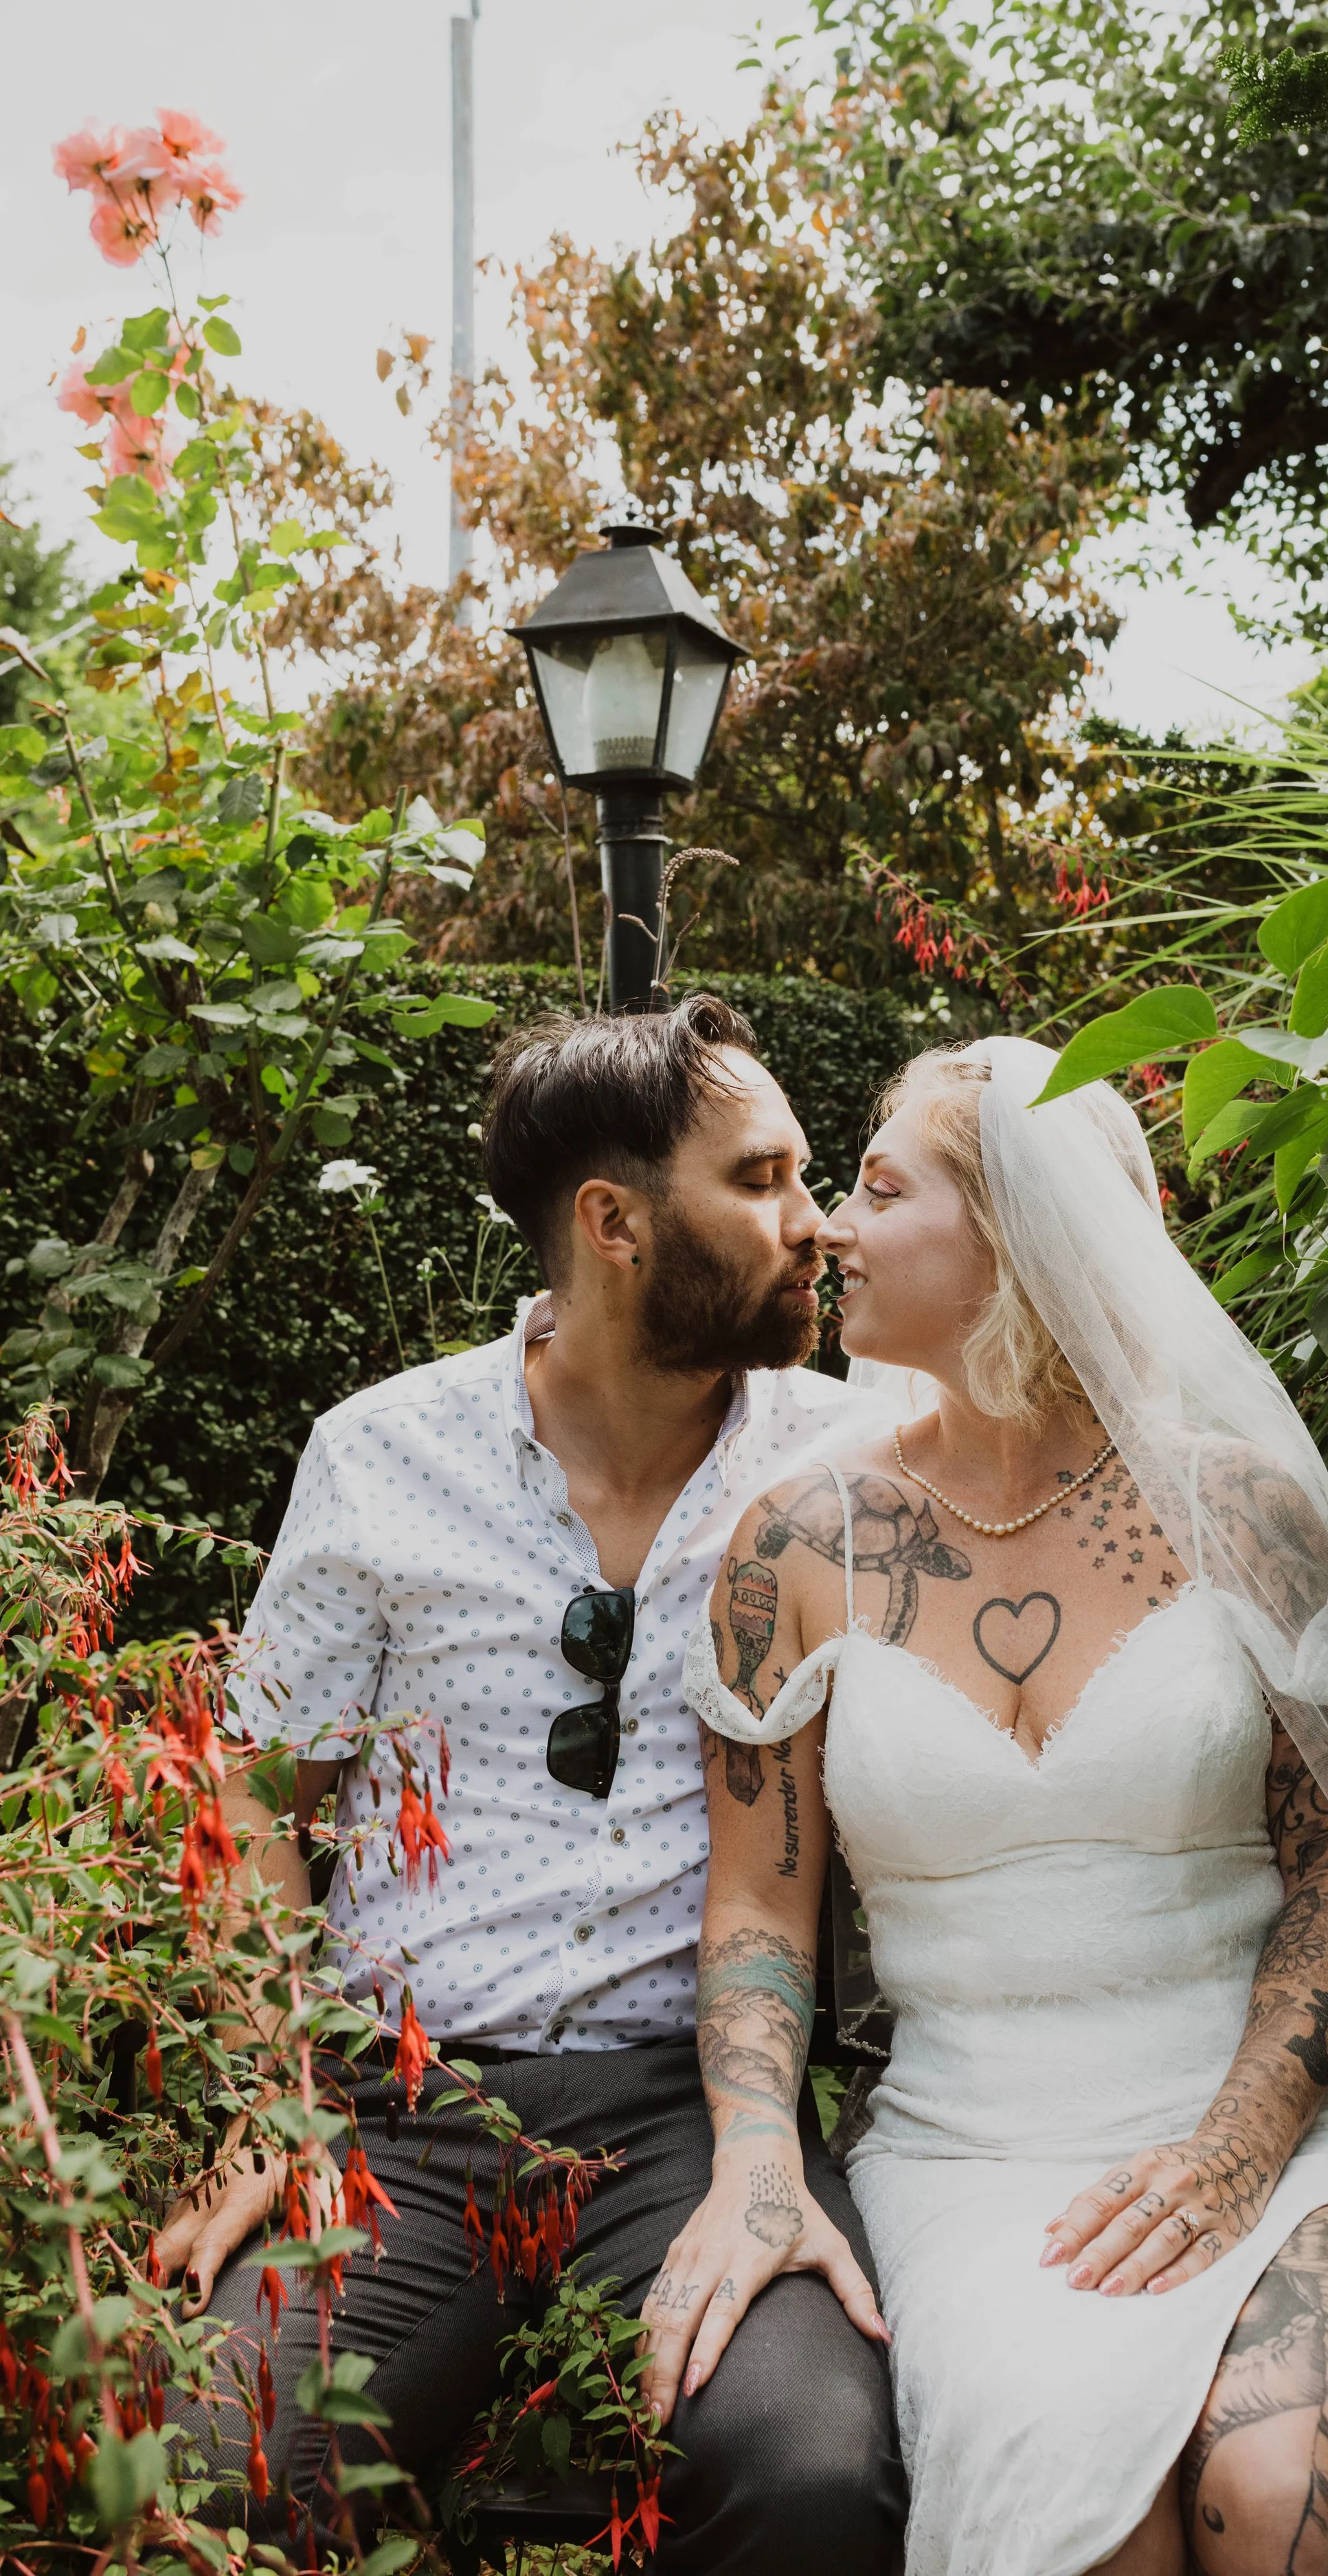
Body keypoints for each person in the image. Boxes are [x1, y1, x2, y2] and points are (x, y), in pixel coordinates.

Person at [655, 1037, 1328, 2576]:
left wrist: (1238, 2144)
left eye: (876, 1189)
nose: (830, 1229)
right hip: (970, 2157)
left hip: (1291, 2126)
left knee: (1280, 2488)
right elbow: (753, 1901)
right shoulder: (794, 1547)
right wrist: (755, 2155)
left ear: (1016, 1237)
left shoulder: (1241, 1511)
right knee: (1090, 2530)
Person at [156, 998, 903, 2574]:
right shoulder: (379, 1455)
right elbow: (255, 1808)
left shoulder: (855, 1455)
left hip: (689, 2116)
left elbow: (1112, 1498)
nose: (814, 1222)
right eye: (761, 1180)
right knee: (208, 2468)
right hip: (396, 2119)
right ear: (614, 1222)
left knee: (810, 2472)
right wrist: (268, 2100)